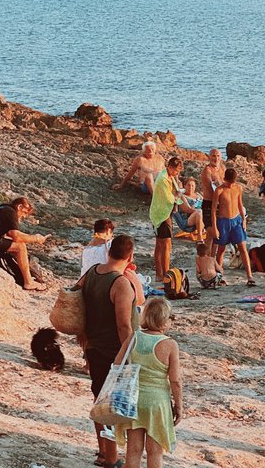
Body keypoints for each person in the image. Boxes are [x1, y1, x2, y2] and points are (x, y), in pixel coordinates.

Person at [78, 234, 139, 468]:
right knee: (111, 405)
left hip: (93, 346)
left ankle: (104, 452)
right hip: (113, 351)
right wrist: (129, 357)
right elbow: (124, 325)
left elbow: (75, 294)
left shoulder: (93, 272)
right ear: (130, 256)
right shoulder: (120, 283)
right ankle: (111, 457)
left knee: (98, 400)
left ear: (110, 251)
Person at [113, 298, 183, 468]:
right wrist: (179, 406)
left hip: (134, 399)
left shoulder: (134, 337)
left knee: (134, 450)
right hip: (157, 403)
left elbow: (117, 364)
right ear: (165, 320)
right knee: (154, 451)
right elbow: (175, 380)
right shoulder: (170, 344)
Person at [0, 197, 50, 291]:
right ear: (19, 206)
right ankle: (28, 282)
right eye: (24, 213)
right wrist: (36, 238)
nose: (23, 216)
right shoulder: (11, 212)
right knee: (20, 247)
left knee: (15, 245)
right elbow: (16, 236)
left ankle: (24, 276)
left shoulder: (3, 207)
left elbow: (8, 234)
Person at [82, 219, 144, 305]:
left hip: (87, 282)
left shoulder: (86, 249)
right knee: (130, 273)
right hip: (105, 282)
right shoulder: (109, 245)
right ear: (108, 231)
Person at [212, 167, 254, 286]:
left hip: (236, 221)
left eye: (232, 182)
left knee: (242, 247)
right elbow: (213, 210)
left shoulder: (238, 188)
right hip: (223, 222)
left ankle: (249, 276)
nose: (230, 185)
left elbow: (240, 205)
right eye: (228, 182)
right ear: (224, 179)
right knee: (221, 249)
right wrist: (215, 227)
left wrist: (244, 220)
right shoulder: (219, 191)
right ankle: (218, 276)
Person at [150, 156, 183, 285]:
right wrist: (177, 196)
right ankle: (165, 274)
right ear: (170, 167)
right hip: (161, 214)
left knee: (160, 244)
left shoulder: (169, 176)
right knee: (165, 245)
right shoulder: (163, 179)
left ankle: (160, 274)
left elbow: (175, 193)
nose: (177, 173)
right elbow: (170, 198)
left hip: (162, 213)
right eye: (176, 170)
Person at [200, 148, 225, 256]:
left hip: (220, 203)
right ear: (209, 157)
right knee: (212, 232)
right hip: (209, 203)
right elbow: (211, 189)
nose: (216, 158)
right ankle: (207, 257)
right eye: (214, 156)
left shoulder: (222, 168)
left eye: (218, 156)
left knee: (214, 235)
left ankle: (209, 258)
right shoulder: (207, 170)